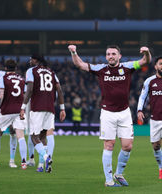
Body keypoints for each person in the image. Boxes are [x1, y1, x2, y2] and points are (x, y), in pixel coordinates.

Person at [68, 44, 151, 187]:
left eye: (113, 54)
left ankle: (118, 173)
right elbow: (80, 65)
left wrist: (147, 52)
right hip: (107, 113)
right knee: (109, 145)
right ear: (106, 57)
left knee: (127, 146)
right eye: (108, 54)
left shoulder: (128, 67)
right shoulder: (100, 69)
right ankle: (108, 180)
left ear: (119, 56)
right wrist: (74, 52)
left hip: (124, 112)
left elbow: (145, 61)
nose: (111, 56)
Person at [20, 55, 66, 173]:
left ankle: (46, 157)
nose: (30, 61)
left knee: (34, 136)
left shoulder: (31, 71)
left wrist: (23, 107)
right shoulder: (52, 72)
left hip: (37, 107)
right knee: (43, 136)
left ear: (36, 60)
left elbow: (29, 90)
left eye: (31, 59)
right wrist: (62, 108)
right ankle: (41, 166)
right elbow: (59, 90)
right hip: (50, 107)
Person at [0, 59, 27, 169]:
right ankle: (23, 162)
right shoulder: (22, 79)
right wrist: (23, 108)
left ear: (5, 68)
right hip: (18, 110)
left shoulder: (2, 78)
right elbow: (25, 94)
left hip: (6, 110)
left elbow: (0, 95)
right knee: (20, 135)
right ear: (16, 68)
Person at [0, 69, 18, 168]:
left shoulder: (0, 75)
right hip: (13, 108)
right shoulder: (18, 77)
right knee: (10, 132)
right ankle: (10, 160)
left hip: (4, 109)